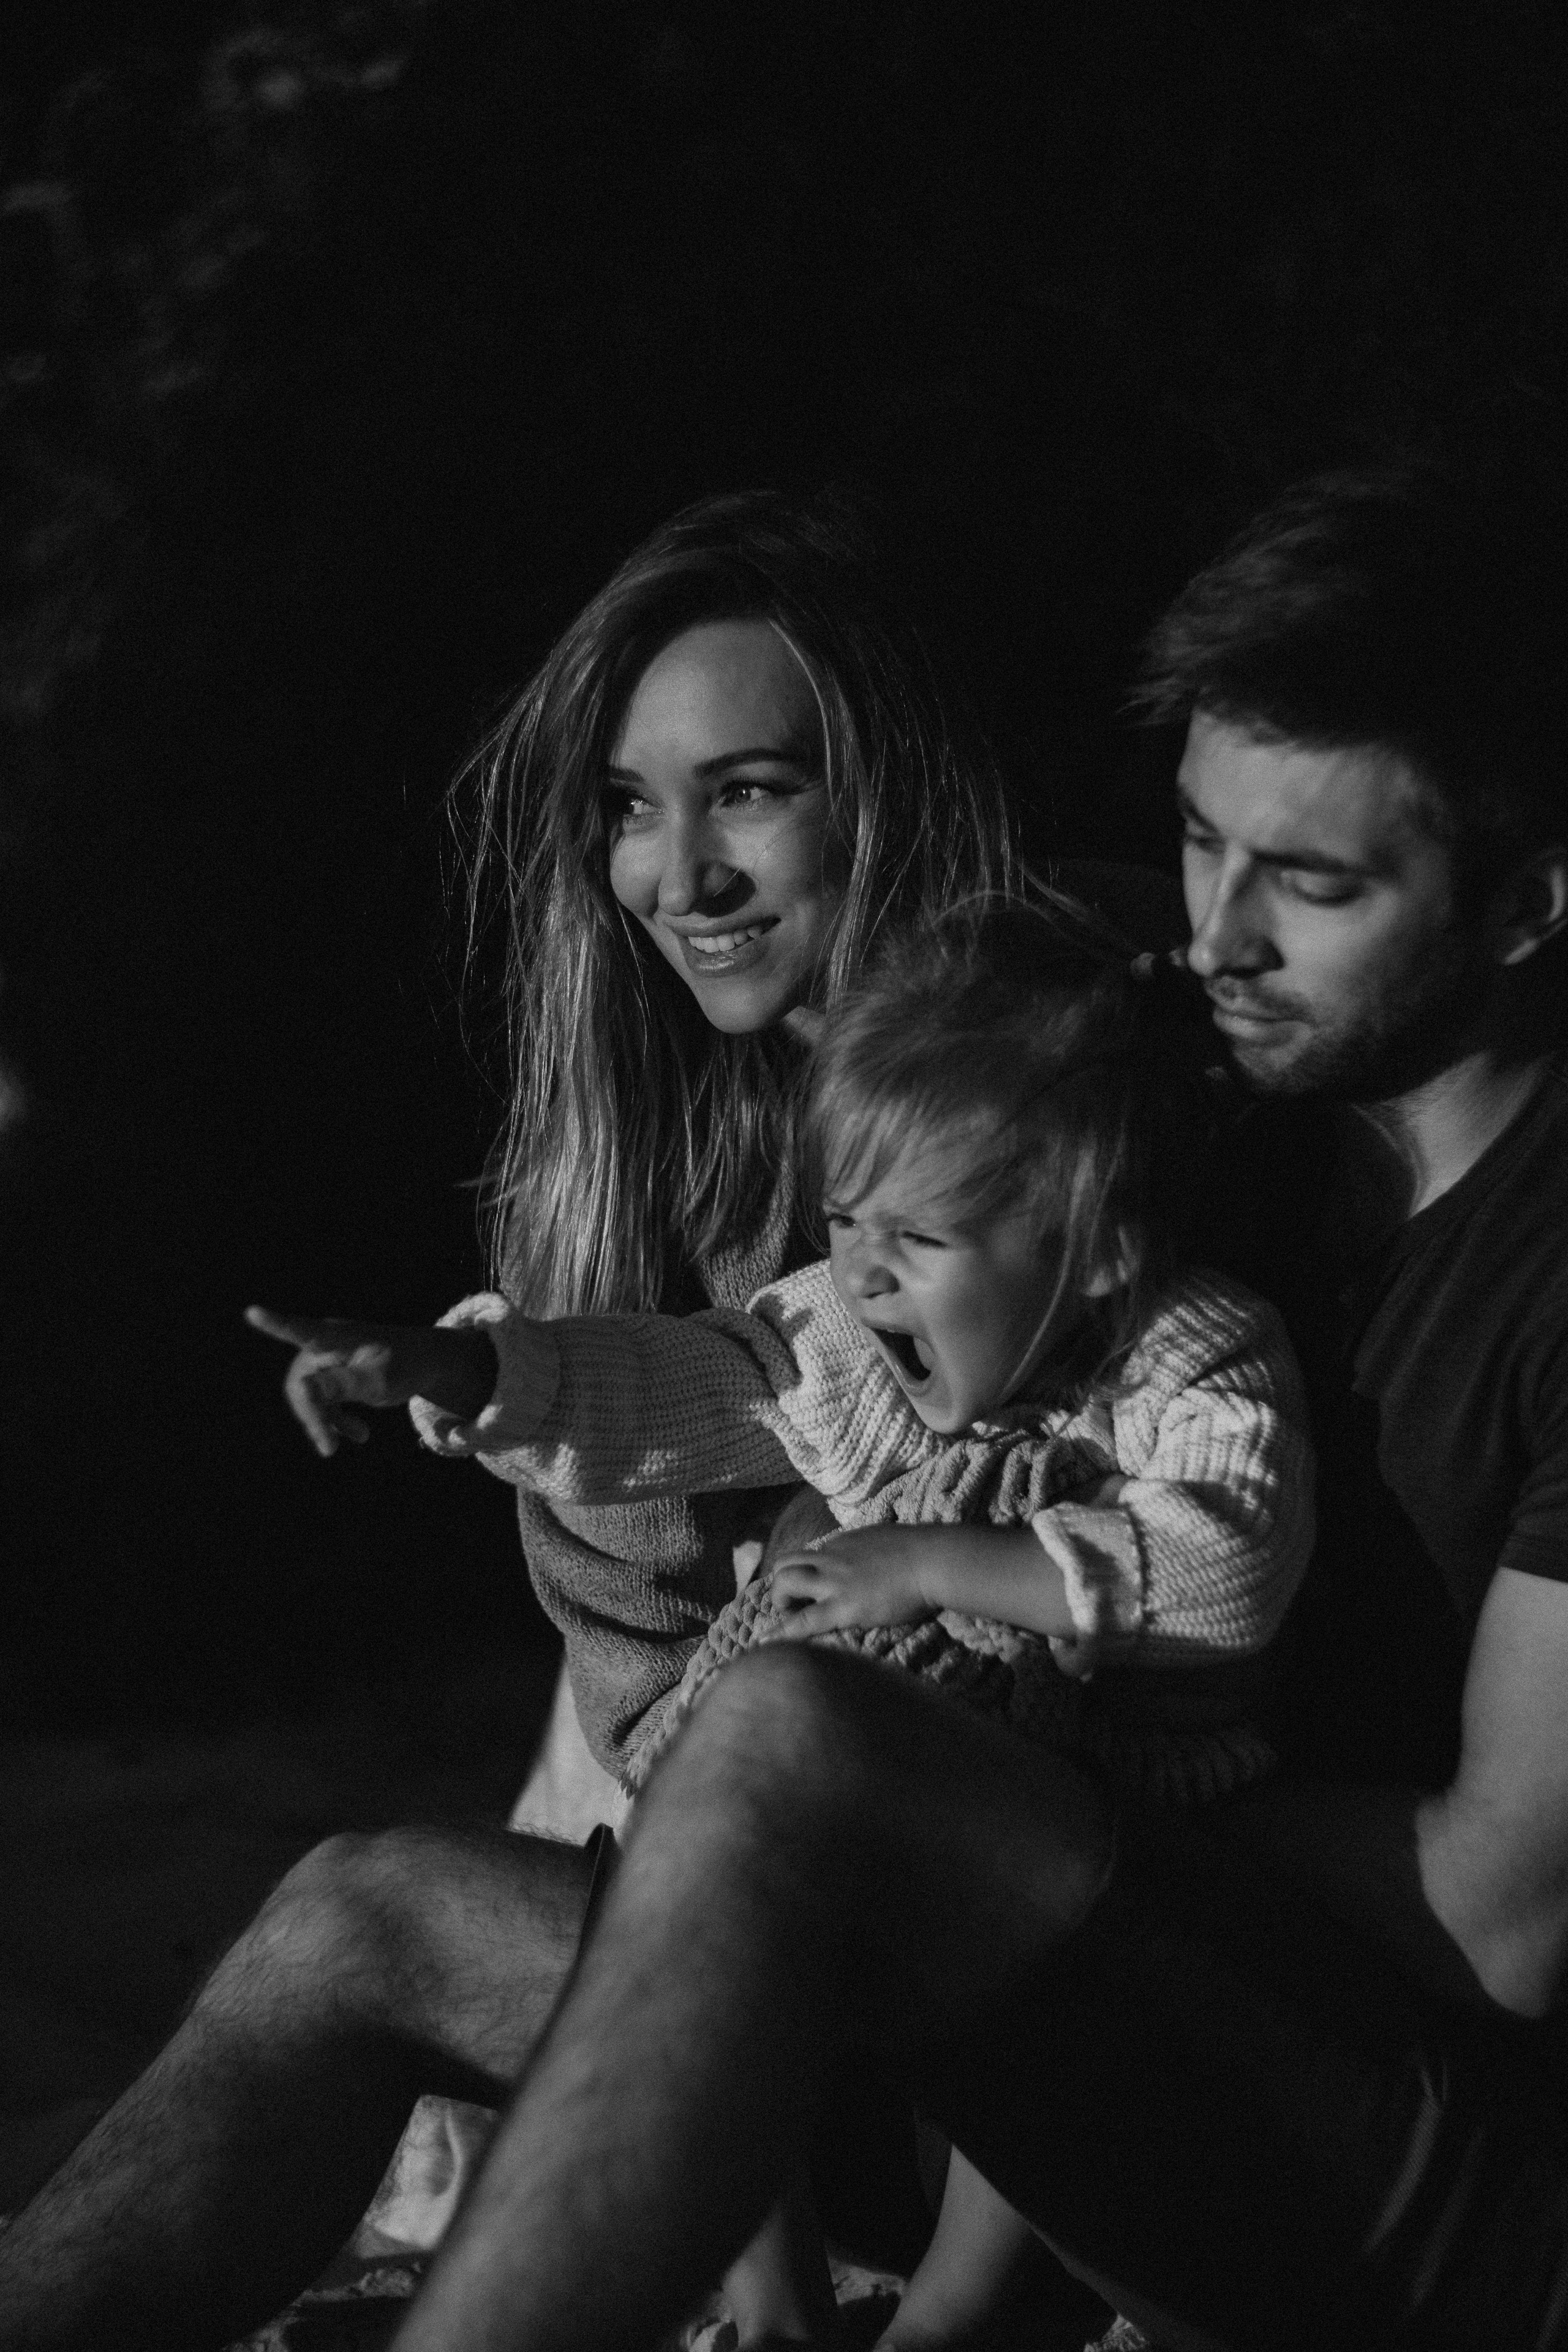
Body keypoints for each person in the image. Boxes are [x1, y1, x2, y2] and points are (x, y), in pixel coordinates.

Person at [350, 461, 1568, 2352]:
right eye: (1194, 844)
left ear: (1527, 908)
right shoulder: (1241, 1104)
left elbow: (1503, 1908)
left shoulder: (1207, 1202)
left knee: (788, 1740)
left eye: (1309, 883)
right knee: (363, 1917)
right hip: (992, 1948)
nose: (1213, 941)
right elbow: (708, 1411)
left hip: (1404, 2136)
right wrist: (482, 1374)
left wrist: (953, 1745)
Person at [0, 491, 1018, 2352]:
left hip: (1015, 2041)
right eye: (632, 805)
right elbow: (666, 1707)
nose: (676, 872)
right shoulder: (714, 1162)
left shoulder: (1031, 1157)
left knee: (355, 1922)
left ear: (892, 786)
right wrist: (479, 1376)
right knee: (295, 1968)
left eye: (752, 789)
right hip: (794, 1985)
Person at [247, 895, 1314, 2349]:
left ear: (1098, 1248)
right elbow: (670, 1386)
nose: (862, 1270)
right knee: (682, 1865)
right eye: (842, 1216)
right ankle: (771, 2294)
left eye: (919, 1235)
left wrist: (933, 1566)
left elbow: (1224, 1571)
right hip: (871, 1849)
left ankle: (950, 2311)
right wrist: (455, 1365)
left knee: (1040, 2041)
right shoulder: (854, 1337)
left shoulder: (1189, 1356)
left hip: (1108, 1861)